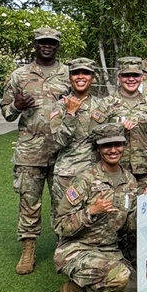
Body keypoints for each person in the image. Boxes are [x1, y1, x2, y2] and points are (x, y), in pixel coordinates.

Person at [0, 26, 70, 275]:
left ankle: (66, 248)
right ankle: (28, 249)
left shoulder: (69, 74)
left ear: (57, 45)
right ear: (36, 45)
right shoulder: (20, 75)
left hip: (63, 151)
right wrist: (16, 106)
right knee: (29, 201)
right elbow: (6, 112)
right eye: (42, 42)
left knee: (64, 202)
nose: (47, 46)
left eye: (51, 42)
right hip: (30, 151)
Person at [53, 123, 142, 292]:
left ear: (124, 146)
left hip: (109, 250)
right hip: (79, 248)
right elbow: (60, 224)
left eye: (117, 144)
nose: (113, 150)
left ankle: (104, 288)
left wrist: (146, 208)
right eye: (106, 146)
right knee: (119, 277)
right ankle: (73, 290)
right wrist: (91, 211)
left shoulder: (130, 181)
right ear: (98, 148)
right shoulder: (84, 180)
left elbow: (128, 226)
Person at [49, 58, 112, 211]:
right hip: (68, 173)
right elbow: (57, 142)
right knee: (65, 218)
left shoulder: (101, 105)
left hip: (95, 173)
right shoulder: (60, 106)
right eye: (76, 73)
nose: (81, 77)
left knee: (94, 218)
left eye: (86, 73)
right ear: (70, 77)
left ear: (93, 77)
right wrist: (70, 113)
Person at [109, 57, 147, 189]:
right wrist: (117, 128)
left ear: (142, 77)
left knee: (146, 208)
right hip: (116, 169)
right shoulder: (107, 104)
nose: (131, 79)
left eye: (135, 75)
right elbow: (95, 135)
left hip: (145, 171)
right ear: (119, 78)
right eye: (126, 75)